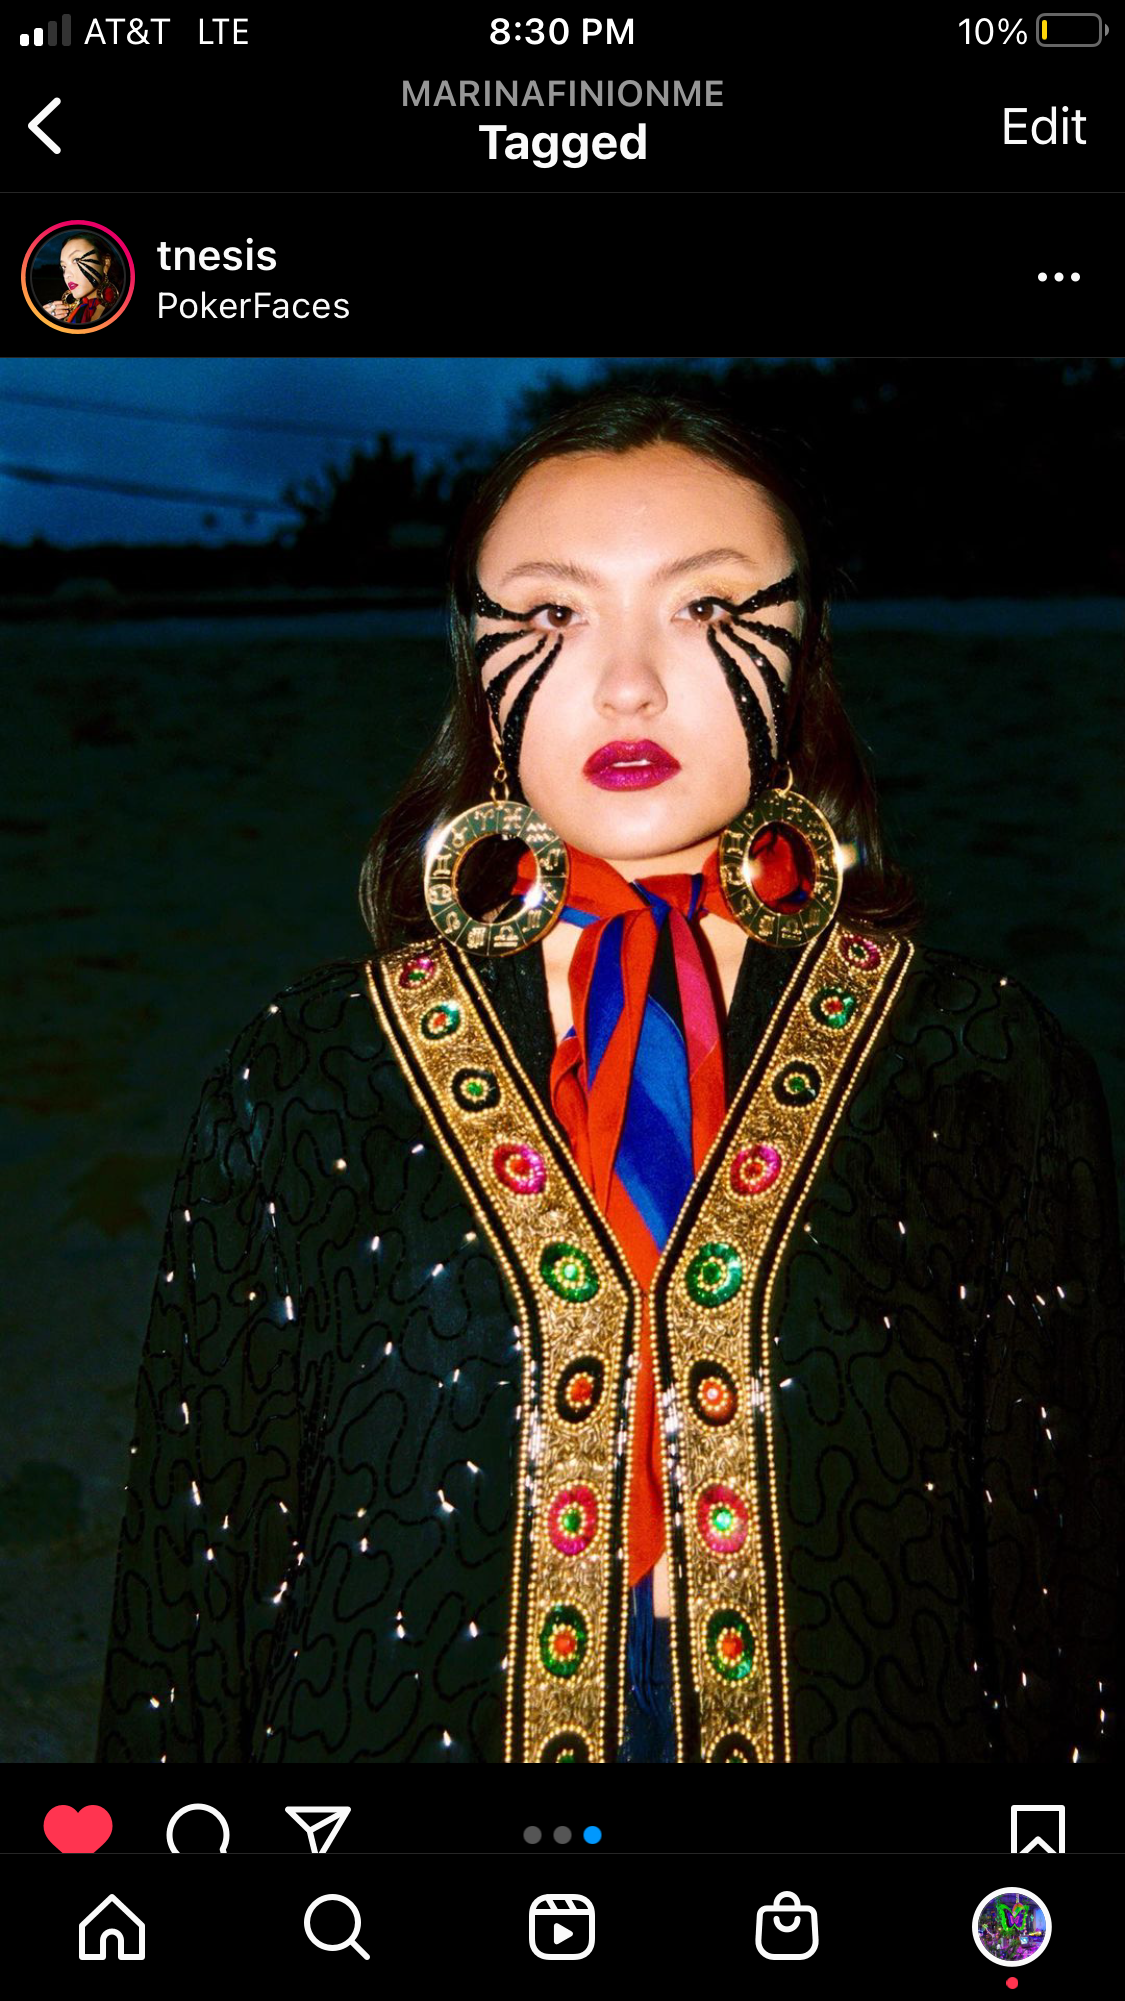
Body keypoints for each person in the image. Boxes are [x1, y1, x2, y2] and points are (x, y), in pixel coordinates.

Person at [95, 388, 1124, 1764]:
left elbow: (1064, 1575)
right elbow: (195, 1581)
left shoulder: (983, 1064)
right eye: (550, 613)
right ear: (473, 660)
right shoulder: (306, 1073)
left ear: (807, 644)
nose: (628, 682)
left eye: (708, 608)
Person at [44, 234, 123, 326]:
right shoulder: (66, 314)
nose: (67, 275)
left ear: (105, 263)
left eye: (76, 260)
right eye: (64, 267)